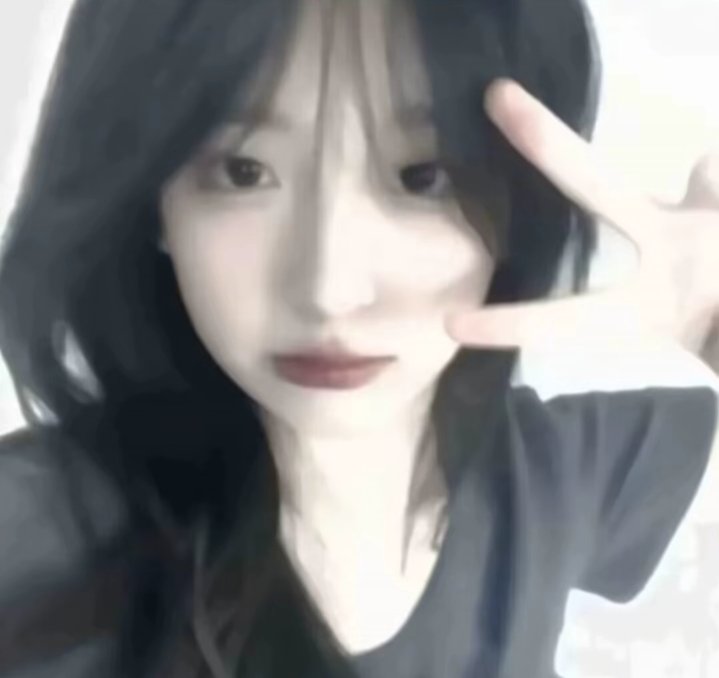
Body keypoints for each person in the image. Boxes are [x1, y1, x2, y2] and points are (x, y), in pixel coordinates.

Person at [0, 0, 716, 676]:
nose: (329, 289)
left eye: (422, 176)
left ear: (515, 206)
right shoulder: (33, 526)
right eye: (243, 171)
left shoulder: (559, 475)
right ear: (152, 200)